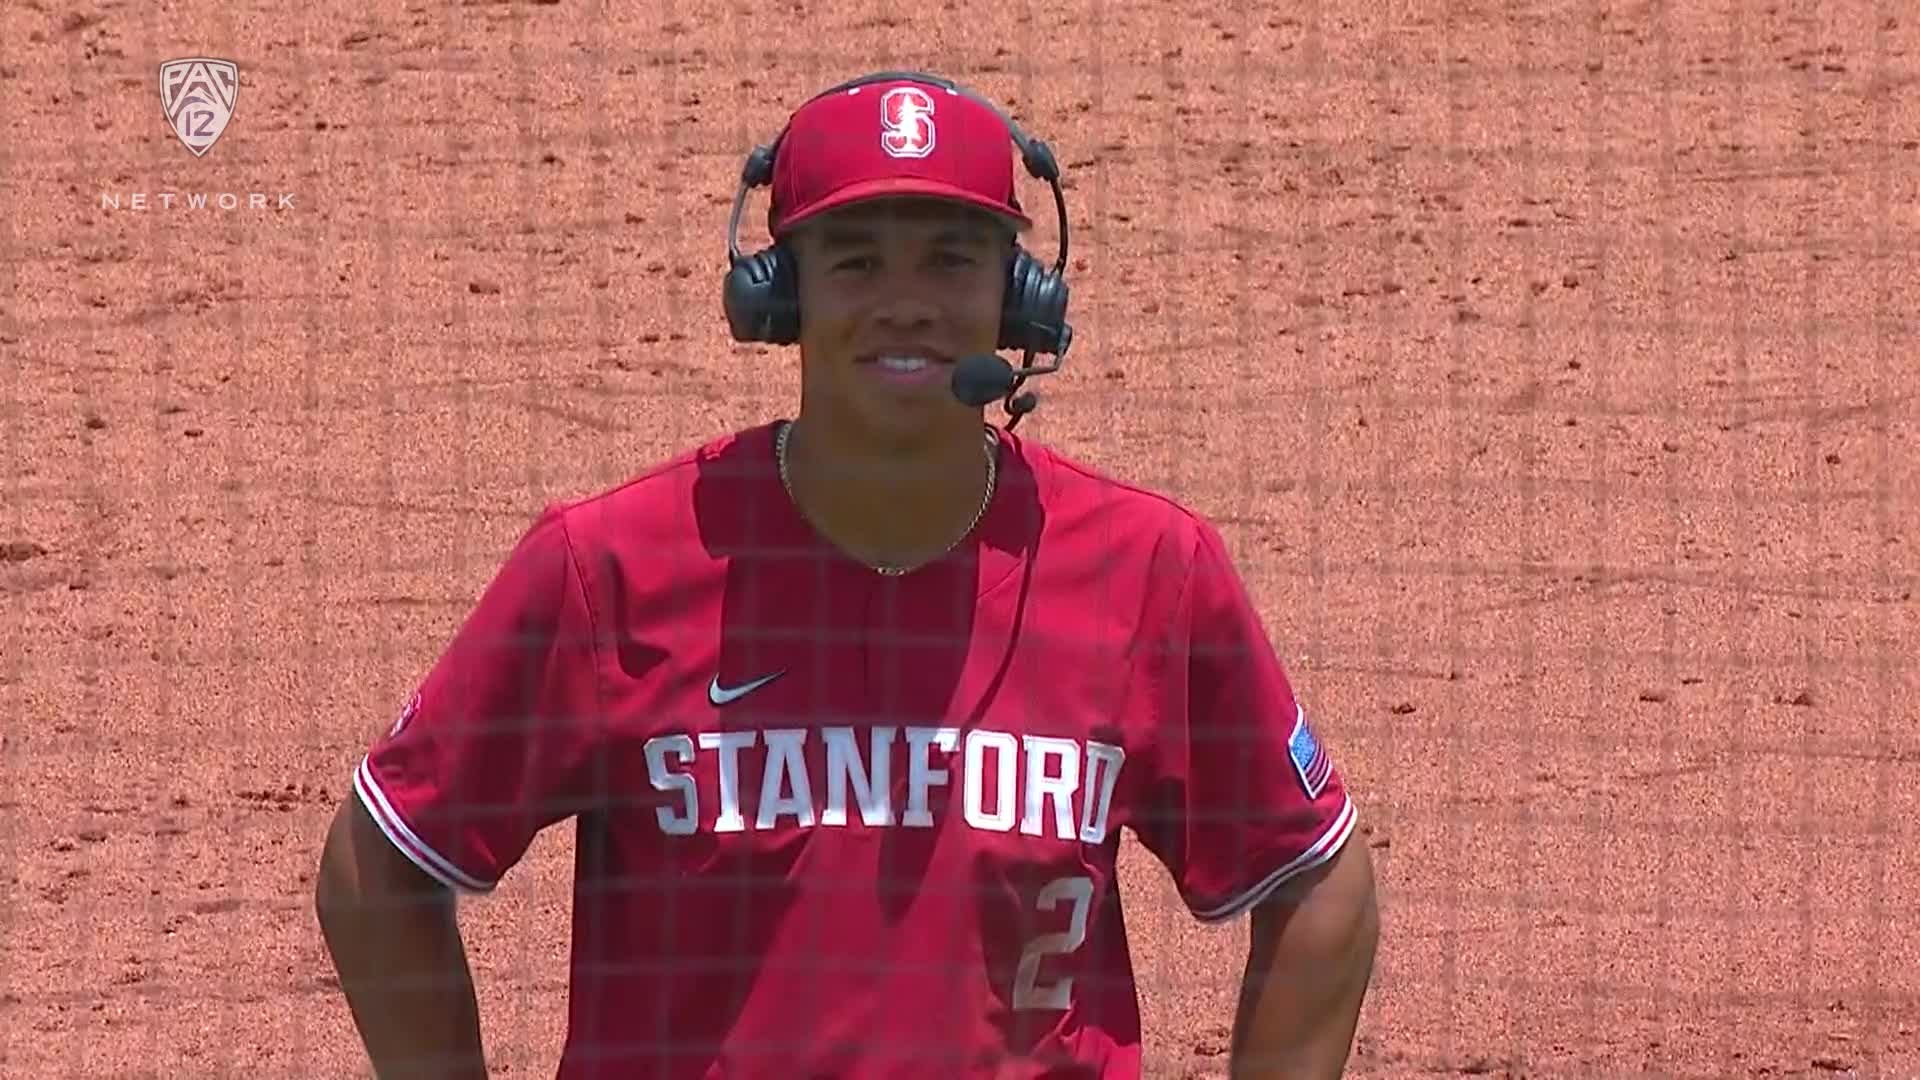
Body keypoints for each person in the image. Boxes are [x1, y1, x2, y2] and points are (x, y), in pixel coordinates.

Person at [313, 71, 1380, 1080]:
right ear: (779, 296)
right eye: (858, 262)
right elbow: (381, 863)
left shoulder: (1144, 570)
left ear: (1019, 297)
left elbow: (1317, 877)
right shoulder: (614, 568)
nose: (906, 302)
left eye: (954, 261)